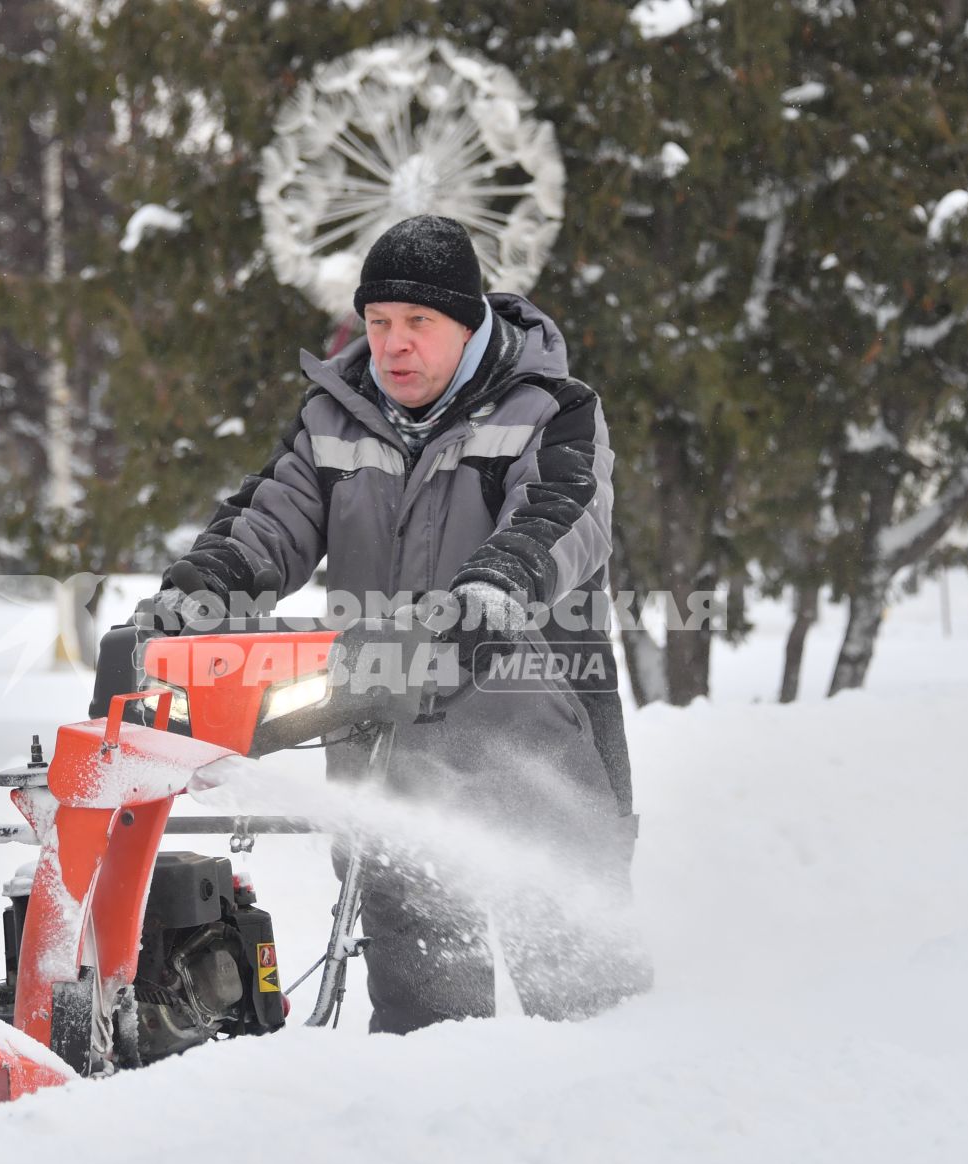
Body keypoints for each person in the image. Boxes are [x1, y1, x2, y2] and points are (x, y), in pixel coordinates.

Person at [142, 214, 648, 1033]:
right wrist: (196, 596)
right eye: (379, 323)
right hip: (387, 747)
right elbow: (268, 523)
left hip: (537, 743)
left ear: (470, 322)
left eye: (419, 323)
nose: (394, 345)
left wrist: (493, 587)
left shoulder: (552, 411)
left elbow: (561, 513)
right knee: (420, 1016)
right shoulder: (333, 423)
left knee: (585, 1006)